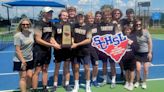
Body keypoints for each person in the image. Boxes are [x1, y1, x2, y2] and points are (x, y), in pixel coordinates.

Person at [32, 7, 55, 92]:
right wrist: (51, 45)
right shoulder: (38, 24)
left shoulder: (51, 24)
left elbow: (51, 37)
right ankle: (34, 89)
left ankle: (44, 88)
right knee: (37, 70)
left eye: (51, 12)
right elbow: (38, 39)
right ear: (44, 13)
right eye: (48, 12)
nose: (50, 14)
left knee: (45, 69)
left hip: (48, 51)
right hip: (39, 51)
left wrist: (56, 44)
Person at [50, 9, 72, 92]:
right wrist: (55, 44)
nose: (65, 17)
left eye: (66, 15)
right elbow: (52, 37)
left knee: (67, 68)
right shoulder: (55, 25)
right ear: (60, 16)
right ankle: (55, 85)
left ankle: (66, 84)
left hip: (67, 50)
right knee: (57, 68)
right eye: (64, 15)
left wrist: (72, 43)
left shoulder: (70, 26)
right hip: (58, 50)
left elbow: (72, 37)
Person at [71, 13, 92, 92]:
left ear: (84, 17)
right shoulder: (74, 26)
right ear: (77, 17)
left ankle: (87, 86)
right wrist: (73, 42)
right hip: (75, 51)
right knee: (76, 68)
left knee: (87, 68)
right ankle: (76, 85)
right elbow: (72, 36)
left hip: (85, 51)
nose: (80, 18)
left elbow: (88, 39)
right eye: (79, 16)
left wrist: (77, 44)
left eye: (81, 16)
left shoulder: (88, 27)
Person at [13, 18, 34, 92]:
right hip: (20, 60)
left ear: (30, 25)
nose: (25, 26)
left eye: (27, 24)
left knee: (30, 76)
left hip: (30, 59)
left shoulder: (32, 33)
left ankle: (27, 89)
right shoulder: (17, 36)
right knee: (23, 77)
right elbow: (17, 50)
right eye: (23, 24)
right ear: (21, 25)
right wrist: (23, 61)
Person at [99, 9, 116, 88]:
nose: (107, 16)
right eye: (105, 15)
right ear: (103, 16)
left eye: (109, 15)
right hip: (103, 48)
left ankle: (113, 80)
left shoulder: (114, 24)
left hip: (112, 48)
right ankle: (105, 79)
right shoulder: (100, 24)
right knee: (104, 64)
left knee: (112, 64)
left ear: (111, 16)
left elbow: (118, 34)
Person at [134, 18, 153, 89]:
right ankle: (137, 81)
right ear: (135, 25)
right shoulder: (134, 33)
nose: (138, 25)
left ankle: (144, 82)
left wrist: (150, 52)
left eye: (139, 24)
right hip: (137, 54)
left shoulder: (146, 32)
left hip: (146, 53)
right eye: (136, 24)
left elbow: (150, 43)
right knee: (138, 69)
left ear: (141, 25)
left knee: (145, 69)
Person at [85, 12, 100, 87]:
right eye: (89, 18)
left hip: (95, 50)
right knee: (87, 66)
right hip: (86, 49)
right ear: (87, 19)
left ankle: (94, 79)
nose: (91, 19)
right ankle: (87, 81)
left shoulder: (97, 26)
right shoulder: (84, 27)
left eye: (92, 18)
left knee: (96, 65)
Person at [122, 25, 138, 91]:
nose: (127, 31)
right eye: (126, 30)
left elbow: (136, 48)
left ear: (130, 30)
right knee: (126, 70)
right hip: (124, 57)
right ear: (124, 31)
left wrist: (131, 43)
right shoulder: (122, 37)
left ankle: (131, 83)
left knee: (132, 70)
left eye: (128, 30)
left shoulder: (134, 37)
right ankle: (127, 81)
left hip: (132, 57)